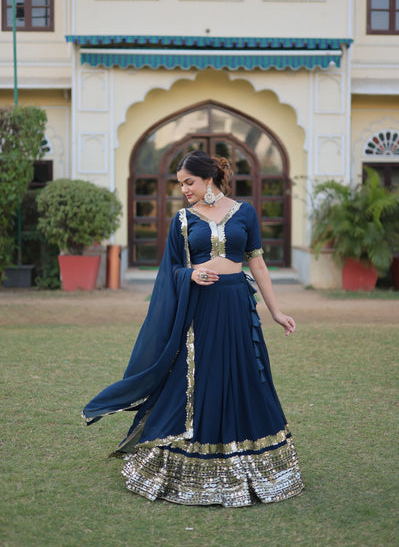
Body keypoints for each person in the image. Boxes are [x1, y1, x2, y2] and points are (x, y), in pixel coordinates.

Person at [83, 150, 304, 507]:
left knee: (245, 375)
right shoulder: (183, 220)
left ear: (208, 179)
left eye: (188, 182)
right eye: (180, 184)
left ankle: (248, 456)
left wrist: (276, 311)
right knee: (203, 377)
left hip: (236, 304)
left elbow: (258, 264)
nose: (183, 189)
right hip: (201, 309)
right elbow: (169, 270)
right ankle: (191, 452)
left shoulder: (244, 212)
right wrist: (191, 274)